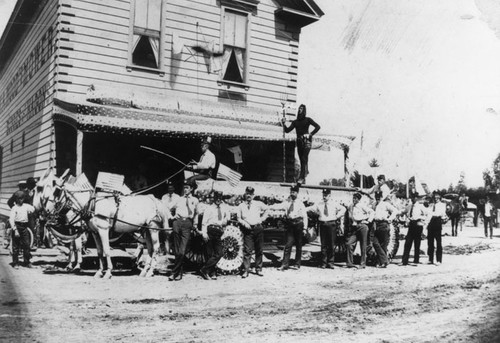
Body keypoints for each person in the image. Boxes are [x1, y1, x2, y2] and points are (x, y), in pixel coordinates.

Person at [281, 104, 320, 184]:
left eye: (301, 108)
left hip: (306, 141)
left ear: (304, 110)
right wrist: (284, 124)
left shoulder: (308, 119)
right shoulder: (295, 122)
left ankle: (301, 177)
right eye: (299, 108)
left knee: (304, 158)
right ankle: (305, 171)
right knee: (302, 159)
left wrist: (310, 134)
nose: (300, 110)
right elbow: (287, 130)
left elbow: (317, 127)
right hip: (299, 142)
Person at [307, 188, 346, 269]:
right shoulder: (319, 204)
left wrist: (337, 216)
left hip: (331, 224)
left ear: (329, 195)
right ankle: (324, 263)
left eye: (326, 195)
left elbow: (343, 209)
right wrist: (302, 209)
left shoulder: (334, 203)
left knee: (331, 244)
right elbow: (311, 208)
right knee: (323, 244)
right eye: (323, 195)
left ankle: (331, 262)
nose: (324, 197)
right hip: (323, 225)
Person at [169, 181, 199, 281]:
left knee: (182, 251)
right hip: (177, 223)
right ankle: (178, 273)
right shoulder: (178, 199)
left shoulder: (195, 200)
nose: (185, 189)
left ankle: (174, 273)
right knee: (177, 250)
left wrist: (195, 225)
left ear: (191, 189)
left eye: (187, 187)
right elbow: (169, 208)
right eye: (184, 187)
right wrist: (172, 217)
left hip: (187, 223)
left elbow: (197, 214)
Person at [274, 185, 308, 271]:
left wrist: (305, 228)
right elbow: (278, 206)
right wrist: (268, 207)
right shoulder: (287, 202)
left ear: (297, 193)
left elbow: (305, 216)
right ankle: (285, 264)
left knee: (298, 245)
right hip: (290, 225)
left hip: (298, 224)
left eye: (294, 192)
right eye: (291, 192)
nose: (292, 194)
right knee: (288, 245)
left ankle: (297, 264)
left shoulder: (300, 203)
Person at [237, 186, 269, 278]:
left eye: (250, 194)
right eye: (247, 194)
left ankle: (258, 269)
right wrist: (244, 223)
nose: (249, 196)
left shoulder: (258, 203)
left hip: (258, 228)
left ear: (253, 195)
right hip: (248, 230)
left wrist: (262, 219)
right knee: (247, 251)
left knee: (259, 250)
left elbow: (267, 209)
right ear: (245, 194)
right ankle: (246, 270)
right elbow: (238, 218)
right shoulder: (241, 206)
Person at [199, 191, 230, 280]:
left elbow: (228, 217)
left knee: (219, 253)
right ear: (214, 198)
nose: (218, 200)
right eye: (217, 198)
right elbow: (204, 222)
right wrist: (204, 233)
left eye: (220, 198)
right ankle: (212, 273)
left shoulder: (224, 208)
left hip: (219, 231)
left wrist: (226, 219)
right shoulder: (209, 208)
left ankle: (204, 270)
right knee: (210, 253)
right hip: (210, 230)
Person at [346, 193, 374, 269]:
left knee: (363, 245)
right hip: (355, 227)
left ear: (359, 199)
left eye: (356, 198)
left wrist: (368, 221)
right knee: (349, 244)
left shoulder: (362, 206)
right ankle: (350, 263)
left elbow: (371, 212)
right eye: (353, 198)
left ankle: (363, 264)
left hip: (362, 226)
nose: (354, 200)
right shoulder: (351, 206)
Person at [9, 191, 35, 269]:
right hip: (17, 227)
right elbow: (11, 220)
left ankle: (27, 262)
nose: (21, 200)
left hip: (24, 227)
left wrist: (30, 212)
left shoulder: (26, 206)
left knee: (26, 245)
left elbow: (33, 209)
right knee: (16, 246)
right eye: (19, 199)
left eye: (22, 198)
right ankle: (15, 263)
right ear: (16, 199)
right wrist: (15, 229)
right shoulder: (14, 208)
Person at [373, 192, 398, 268]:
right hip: (376, 224)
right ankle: (384, 260)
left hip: (384, 224)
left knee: (383, 244)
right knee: (375, 242)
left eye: (379, 196)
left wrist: (390, 219)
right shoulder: (374, 205)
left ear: (381, 197)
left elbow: (395, 211)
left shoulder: (385, 204)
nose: (377, 198)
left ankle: (382, 262)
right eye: (376, 196)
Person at [401, 192, 427, 266]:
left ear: (417, 198)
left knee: (417, 243)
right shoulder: (409, 206)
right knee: (408, 242)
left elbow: (427, 214)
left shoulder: (420, 206)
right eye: (412, 197)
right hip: (411, 224)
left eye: (415, 197)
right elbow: (403, 211)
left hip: (418, 225)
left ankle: (416, 260)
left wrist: (421, 218)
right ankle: (405, 260)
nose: (413, 199)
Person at [5, 181, 28, 249]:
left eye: (24, 187)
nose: (23, 188)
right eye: (22, 187)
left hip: (25, 215)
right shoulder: (18, 194)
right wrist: (15, 209)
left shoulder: (26, 194)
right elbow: (9, 202)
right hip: (20, 216)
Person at [426, 192, 447, 265]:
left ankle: (439, 260)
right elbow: (428, 214)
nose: (436, 199)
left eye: (437, 198)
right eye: (435, 198)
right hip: (431, 223)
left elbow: (441, 213)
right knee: (430, 242)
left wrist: (432, 214)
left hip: (437, 222)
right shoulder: (431, 205)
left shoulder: (442, 205)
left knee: (438, 242)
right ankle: (430, 259)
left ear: (440, 198)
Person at [160, 182, 180, 255]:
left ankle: (173, 247)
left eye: (171, 188)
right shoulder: (164, 197)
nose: (170, 189)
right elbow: (162, 206)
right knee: (164, 233)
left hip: (174, 216)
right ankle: (165, 249)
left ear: (174, 189)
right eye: (169, 188)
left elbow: (178, 206)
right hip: (165, 216)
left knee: (174, 233)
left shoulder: (177, 197)